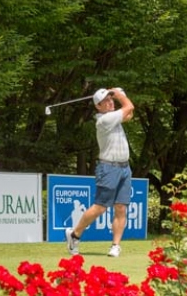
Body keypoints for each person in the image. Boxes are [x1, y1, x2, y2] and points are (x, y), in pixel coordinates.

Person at [65, 87, 134, 257]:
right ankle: (75, 235)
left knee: (120, 208)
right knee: (100, 207)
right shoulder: (104, 120)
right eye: (106, 101)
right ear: (98, 106)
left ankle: (115, 245)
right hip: (108, 168)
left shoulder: (113, 117)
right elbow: (129, 107)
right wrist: (120, 95)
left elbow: (129, 115)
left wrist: (118, 96)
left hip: (124, 168)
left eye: (111, 99)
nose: (110, 102)